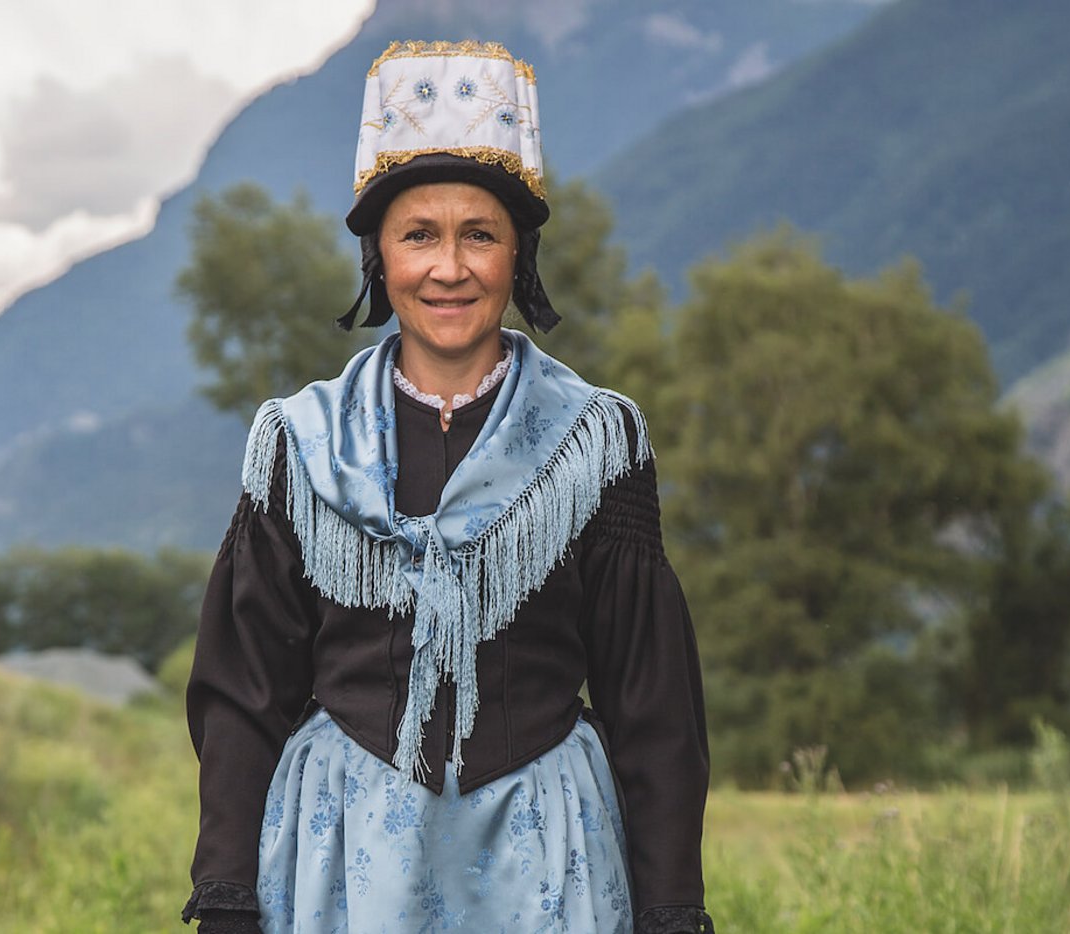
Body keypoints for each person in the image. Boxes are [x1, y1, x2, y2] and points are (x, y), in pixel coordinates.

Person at [182, 40, 714, 933]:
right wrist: (228, 893)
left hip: (546, 855)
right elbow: (242, 696)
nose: (449, 268)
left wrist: (670, 908)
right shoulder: (298, 444)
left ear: (519, 256)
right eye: (418, 235)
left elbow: (651, 702)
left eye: (480, 235)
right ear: (380, 261)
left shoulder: (598, 442)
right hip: (343, 854)